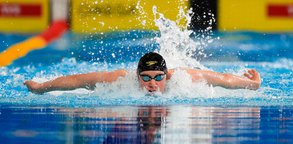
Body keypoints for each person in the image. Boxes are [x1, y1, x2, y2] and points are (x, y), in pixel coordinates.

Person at [24, 52, 261, 94]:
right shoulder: (120, 80)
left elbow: (226, 80)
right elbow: (77, 81)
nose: (151, 83)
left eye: (158, 77)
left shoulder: (184, 78)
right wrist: (41, 87)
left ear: (165, 75)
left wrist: (253, 84)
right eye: (145, 77)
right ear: (137, 76)